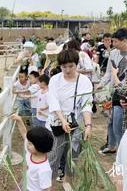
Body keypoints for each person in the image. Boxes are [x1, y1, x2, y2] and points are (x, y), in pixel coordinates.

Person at [47, 49, 93, 186]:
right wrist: (62, 121)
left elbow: (86, 105)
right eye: (64, 66)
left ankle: (68, 182)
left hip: (76, 125)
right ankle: (49, 184)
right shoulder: (55, 80)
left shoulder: (84, 81)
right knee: (54, 155)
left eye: (71, 66)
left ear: (77, 64)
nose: (67, 70)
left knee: (72, 156)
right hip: (57, 124)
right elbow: (53, 102)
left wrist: (88, 125)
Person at [98, 28, 127, 154]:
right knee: (111, 120)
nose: (113, 44)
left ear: (124, 40)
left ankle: (120, 147)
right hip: (114, 91)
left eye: (116, 42)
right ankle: (112, 145)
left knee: (118, 121)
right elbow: (108, 72)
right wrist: (101, 84)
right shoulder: (113, 53)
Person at [10, 114, 53, 191]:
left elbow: (47, 188)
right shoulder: (31, 151)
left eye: (30, 143)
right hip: (25, 183)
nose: (27, 143)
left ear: (39, 146)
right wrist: (19, 120)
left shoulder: (44, 169)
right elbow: (24, 134)